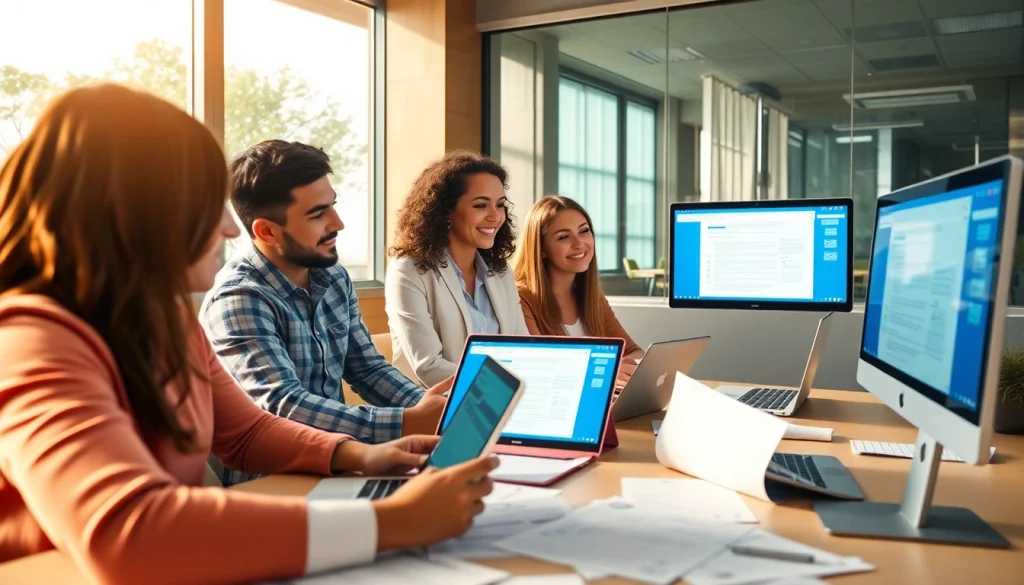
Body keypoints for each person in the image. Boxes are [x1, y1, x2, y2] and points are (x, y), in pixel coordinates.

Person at [0, 84, 497, 585]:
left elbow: (246, 432)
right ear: (135, 213)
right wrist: (393, 522)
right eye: (204, 204)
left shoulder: (165, 318)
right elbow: (130, 529)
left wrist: (361, 455)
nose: (229, 229)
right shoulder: (29, 340)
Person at [201, 140, 450, 485]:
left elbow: (367, 369)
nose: (339, 223)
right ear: (267, 231)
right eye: (318, 214)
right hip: (274, 482)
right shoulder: (239, 298)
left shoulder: (332, 275)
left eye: (332, 206)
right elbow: (284, 405)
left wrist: (437, 414)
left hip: (346, 464)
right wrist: (406, 422)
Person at [385, 150, 529, 387]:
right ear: (446, 211)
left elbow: (523, 349)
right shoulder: (409, 271)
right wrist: (504, 386)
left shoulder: (500, 272)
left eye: (500, 205)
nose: (496, 216)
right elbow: (429, 367)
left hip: (502, 403)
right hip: (432, 409)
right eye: (481, 205)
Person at [515, 195, 644, 387]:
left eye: (584, 231)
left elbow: (634, 352)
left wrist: (622, 367)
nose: (579, 244)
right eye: (564, 237)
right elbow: (540, 367)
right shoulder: (521, 298)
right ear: (541, 249)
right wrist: (608, 369)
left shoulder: (592, 297)